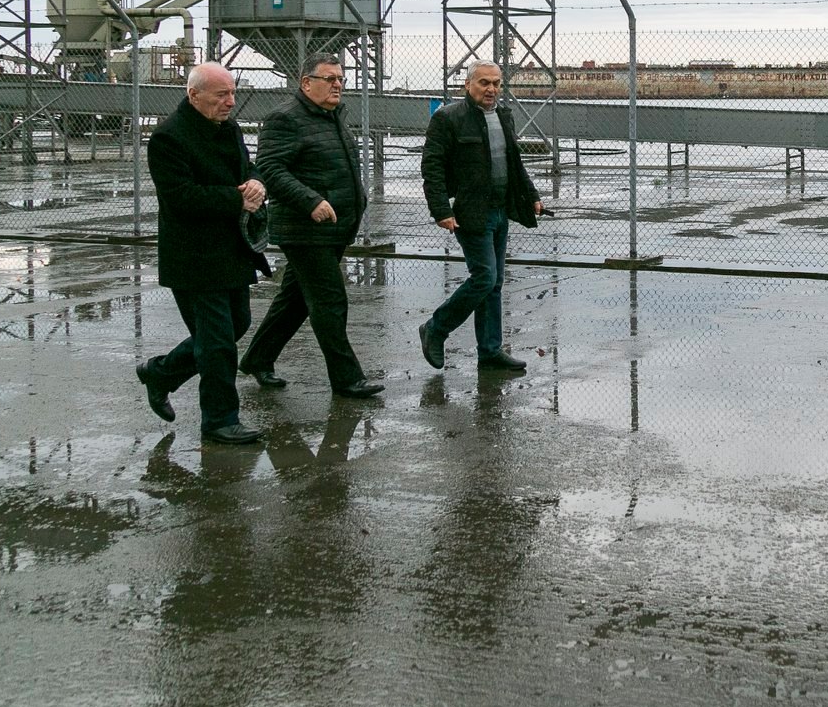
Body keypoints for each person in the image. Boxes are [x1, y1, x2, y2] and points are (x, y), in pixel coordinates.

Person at [136, 62, 271, 444]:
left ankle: (161, 372)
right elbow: (181, 198)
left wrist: (257, 184)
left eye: (233, 94)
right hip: (193, 257)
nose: (230, 102)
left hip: (231, 250)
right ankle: (219, 420)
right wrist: (236, 199)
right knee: (216, 342)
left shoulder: (228, 128)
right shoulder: (169, 138)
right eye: (222, 95)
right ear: (194, 95)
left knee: (236, 325)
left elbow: (248, 168)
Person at [237, 54, 384, 398]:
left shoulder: (333, 116)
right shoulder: (285, 119)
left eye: (341, 79)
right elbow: (270, 169)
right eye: (329, 79)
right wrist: (311, 201)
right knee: (330, 300)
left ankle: (258, 358)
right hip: (304, 230)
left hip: (333, 228)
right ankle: (347, 378)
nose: (337, 85)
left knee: (296, 300)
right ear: (306, 83)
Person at [418, 62, 543, 372]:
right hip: (471, 211)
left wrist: (531, 195)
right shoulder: (448, 118)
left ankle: (489, 351)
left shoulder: (503, 116)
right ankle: (436, 328)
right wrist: (441, 210)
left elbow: (514, 162)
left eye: (496, 83)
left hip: (501, 210)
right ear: (468, 85)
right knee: (484, 277)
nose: (491, 89)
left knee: (494, 282)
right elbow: (432, 167)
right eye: (484, 82)